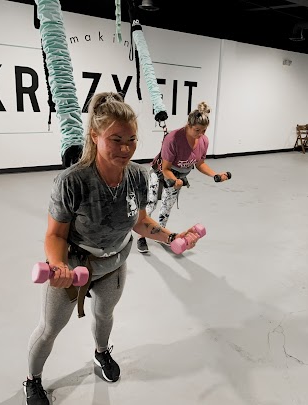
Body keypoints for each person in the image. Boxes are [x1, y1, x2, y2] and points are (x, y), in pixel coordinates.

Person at [23, 92, 200, 405]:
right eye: (115, 140)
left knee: (105, 314)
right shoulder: (72, 181)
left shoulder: (138, 176)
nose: (125, 149)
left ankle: (101, 352)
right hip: (74, 265)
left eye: (131, 140)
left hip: (114, 263)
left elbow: (140, 222)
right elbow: (55, 235)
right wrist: (58, 265)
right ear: (95, 135)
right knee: (50, 328)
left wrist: (173, 237)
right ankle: (32, 380)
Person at [137, 101, 231, 253]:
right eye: (197, 130)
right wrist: (174, 180)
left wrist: (215, 174)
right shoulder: (173, 139)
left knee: (166, 207)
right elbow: (166, 168)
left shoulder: (203, 141)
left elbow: (200, 164)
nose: (200, 134)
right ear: (188, 125)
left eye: (204, 130)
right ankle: (142, 236)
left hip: (179, 177)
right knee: (151, 204)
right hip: (160, 172)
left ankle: (160, 234)